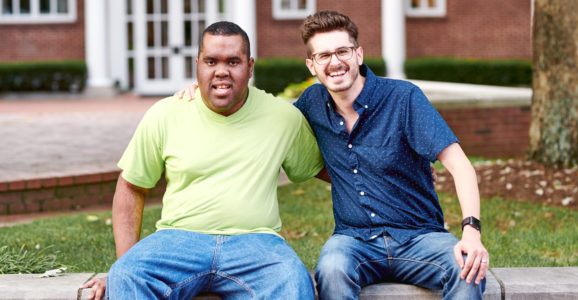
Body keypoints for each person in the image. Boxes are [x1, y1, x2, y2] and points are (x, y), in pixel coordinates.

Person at [178, 10, 489, 300]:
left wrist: (471, 233)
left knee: (468, 269)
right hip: (353, 241)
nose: (334, 62)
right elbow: (262, 119)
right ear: (311, 65)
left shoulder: (403, 98)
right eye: (323, 55)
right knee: (331, 270)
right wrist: (212, 87)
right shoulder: (311, 105)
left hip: (421, 236)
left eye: (342, 51)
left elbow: (460, 166)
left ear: (358, 54)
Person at [81, 21, 325, 300]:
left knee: (293, 283)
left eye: (233, 61)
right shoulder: (166, 114)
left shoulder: (283, 118)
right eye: (211, 61)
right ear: (197, 65)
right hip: (177, 241)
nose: (222, 71)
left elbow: (329, 170)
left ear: (250, 66)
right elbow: (131, 187)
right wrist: (120, 266)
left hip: (257, 245)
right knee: (127, 276)